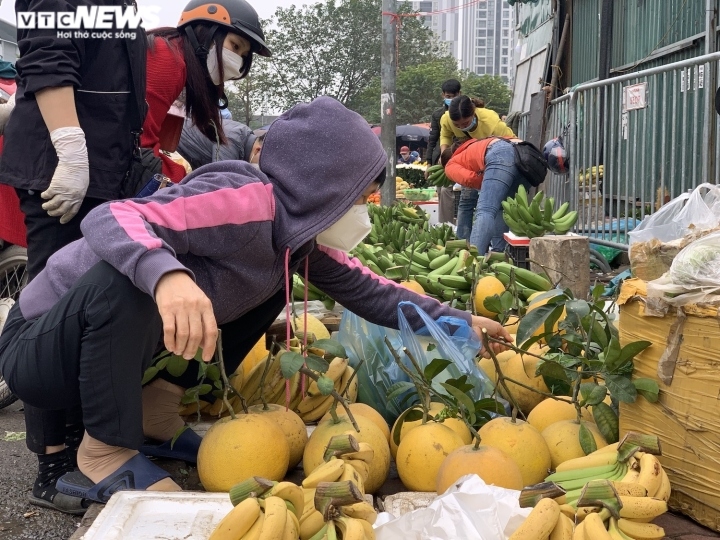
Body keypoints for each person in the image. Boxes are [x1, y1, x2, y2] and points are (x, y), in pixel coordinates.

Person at [0, 96, 513, 504]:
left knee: (270, 290)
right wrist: (167, 277)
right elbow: (112, 219)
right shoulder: (245, 197)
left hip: (105, 353)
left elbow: (374, 292)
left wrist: (462, 322)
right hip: (40, 348)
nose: (362, 210)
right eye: (357, 196)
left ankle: (156, 415)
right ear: (321, 185)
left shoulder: (294, 241)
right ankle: (105, 451)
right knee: (135, 273)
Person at [0, 0, 148, 515]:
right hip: (60, 171)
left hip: (105, 176)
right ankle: (50, 462)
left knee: (90, 314)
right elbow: (46, 51)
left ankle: (88, 446)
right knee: (49, 308)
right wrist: (70, 146)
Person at [142, 0, 271, 182]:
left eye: (242, 56)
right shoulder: (168, 60)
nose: (237, 61)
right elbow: (140, 146)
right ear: (205, 31)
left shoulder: (179, 64)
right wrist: (180, 178)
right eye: (235, 45)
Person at [440, 95, 516, 241]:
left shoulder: (491, 122)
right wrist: (444, 155)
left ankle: (497, 248)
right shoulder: (446, 119)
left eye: (466, 123)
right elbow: (445, 136)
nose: (462, 128)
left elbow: (512, 143)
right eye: (458, 125)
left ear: (474, 112)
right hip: (470, 163)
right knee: (467, 200)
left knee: (494, 205)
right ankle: (462, 242)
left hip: (496, 164)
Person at [441, 134, 529, 255]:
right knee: (501, 208)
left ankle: (473, 260)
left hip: (504, 155)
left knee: (485, 210)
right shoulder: (478, 144)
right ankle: (498, 254)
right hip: (527, 155)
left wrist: (490, 182)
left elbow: (470, 179)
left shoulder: (451, 164)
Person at [177, 116, 257, 170]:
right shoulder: (231, 140)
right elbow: (220, 181)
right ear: (258, 149)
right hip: (174, 146)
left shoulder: (244, 132)